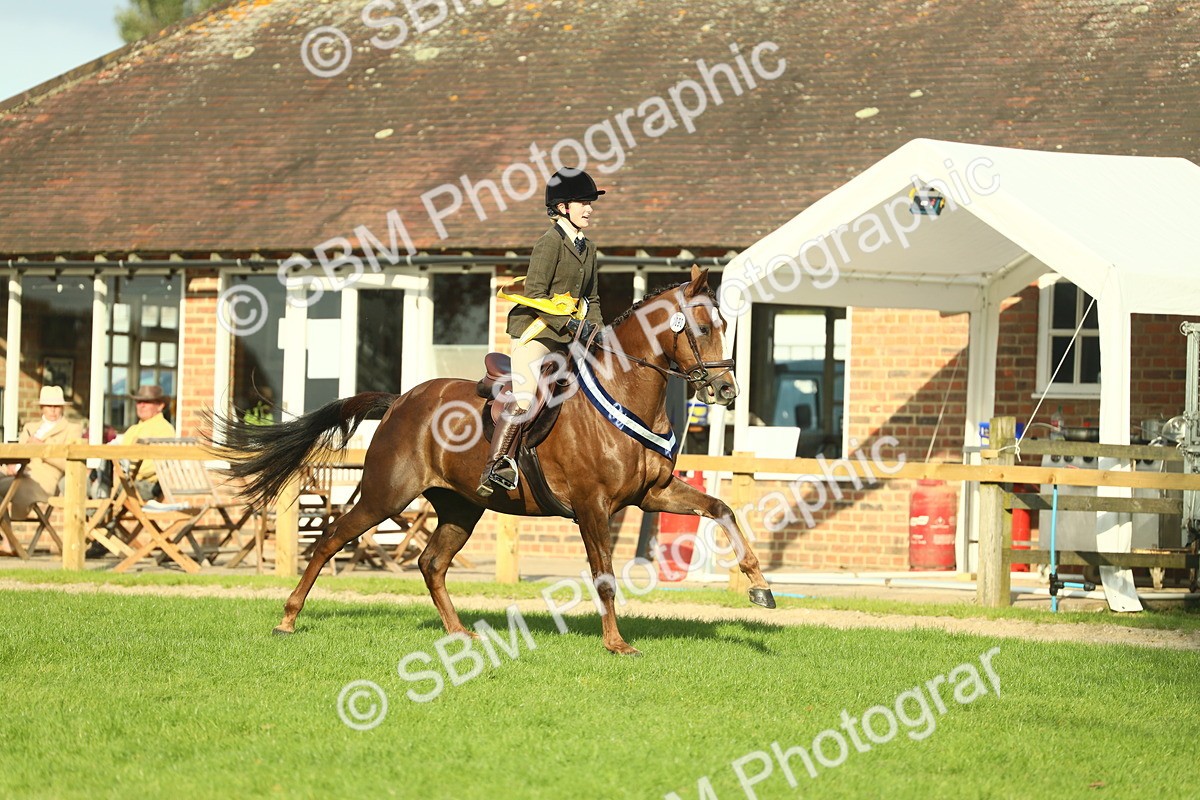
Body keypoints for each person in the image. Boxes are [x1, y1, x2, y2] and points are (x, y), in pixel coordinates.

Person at [477, 168, 606, 497]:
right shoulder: (549, 244)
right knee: (525, 396)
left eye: (590, 203)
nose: (589, 209)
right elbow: (535, 295)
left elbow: (592, 299)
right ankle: (498, 464)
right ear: (563, 207)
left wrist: (599, 333)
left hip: (568, 338)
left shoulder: (589, 248)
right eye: (583, 203)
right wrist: (568, 324)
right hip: (536, 333)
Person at [0, 385, 83, 521]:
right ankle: (6, 530)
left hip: (43, 481)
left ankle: (7, 531)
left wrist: (42, 449)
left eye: (57, 406)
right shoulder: (30, 428)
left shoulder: (71, 429)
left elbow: (70, 463)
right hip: (18, 473)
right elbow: (17, 453)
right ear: (41, 407)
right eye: (49, 406)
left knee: (14, 488)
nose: (53, 410)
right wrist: (12, 464)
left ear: (62, 408)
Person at [121, 384, 176, 501]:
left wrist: (127, 473)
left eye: (147, 402)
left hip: (147, 485)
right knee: (93, 485)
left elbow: (156, 465)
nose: (142, 405)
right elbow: (119, 454)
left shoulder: (164, 429)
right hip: (127, 481)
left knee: (99, 489)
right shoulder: (132, 430)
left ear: (160, 406)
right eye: (138, 402)